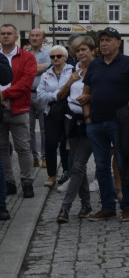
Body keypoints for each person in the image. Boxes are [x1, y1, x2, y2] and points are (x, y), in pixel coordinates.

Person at [81, 27, 129, 221]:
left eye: (108, 40)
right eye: (101, 40)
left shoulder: (128, 62)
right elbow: (86, 92)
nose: (104, 43)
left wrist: (128, 111)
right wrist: (88, 117)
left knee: (124, 164)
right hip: (96, 123)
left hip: (120, 123)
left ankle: (127, 206)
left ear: (118, 42)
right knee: (101, 166)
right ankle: (108, 206)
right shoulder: (95, 65)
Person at [54, 37, 97, 223]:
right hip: (72, 122)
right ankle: (86, 206)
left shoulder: (98, 70)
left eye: (84, 49)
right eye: (78, 50)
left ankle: (65, 207)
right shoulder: (72, 71)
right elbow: (59, 96)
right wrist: (69, 82)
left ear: (92, 51)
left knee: (77, 166)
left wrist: (88, 98)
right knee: (77, 166)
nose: (81, 53)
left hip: (91, 122)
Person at [1, 23, 40, 199]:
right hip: (0, 109)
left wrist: (4, 94)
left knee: (23, 147)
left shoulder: (27, 57)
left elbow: (25, 84)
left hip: (18, 107)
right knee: (2, 148)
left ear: (16, 37)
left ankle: (27, 182)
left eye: (9, 33)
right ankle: (8, 182)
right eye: (2, 33)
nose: (5, 36)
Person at [36, 45, 72, 188]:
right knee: (51, 143)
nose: (55, 59)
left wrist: (53, 95)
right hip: (50, 113)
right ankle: (51, 174)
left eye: (58, 56)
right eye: (52, 57)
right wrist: (57, 96)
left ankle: (67, 171)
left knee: (66, 143)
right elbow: (40, 95)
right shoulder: (46, 74)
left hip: (68, 113)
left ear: (65, 57)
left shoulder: (72, 71)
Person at [26, 28, 51, 170]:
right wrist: (37, 68)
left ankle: (45, 157)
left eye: (37, 36)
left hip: (41, 94)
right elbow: (20, 70)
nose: (34, 38)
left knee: (44, 128)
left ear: (43, 38)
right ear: (29, 38)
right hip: (26, 93)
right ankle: (33, 157)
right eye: (32, 36)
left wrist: (28, 69)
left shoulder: (49, 54)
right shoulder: (25, 53)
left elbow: (48, 68)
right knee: (27, 128)